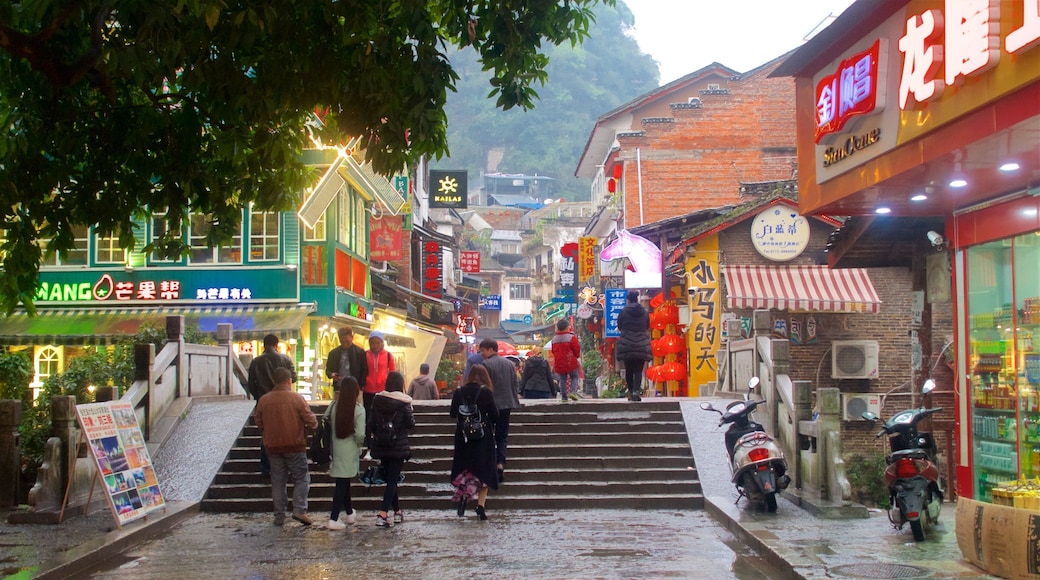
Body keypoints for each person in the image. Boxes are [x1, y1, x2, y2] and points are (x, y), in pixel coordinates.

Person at [253, 367, 318, 526]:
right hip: (295, 445)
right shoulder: (297, 399)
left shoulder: (264, 400)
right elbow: (311, 421)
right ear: (289, 381)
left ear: (274, 381)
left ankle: (279, 515)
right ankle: (299, 509)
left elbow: (258, 422)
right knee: (302, 478)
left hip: (273, 446)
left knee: (278, 481)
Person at [449, 364, 499, 520]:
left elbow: (452, 414)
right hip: (482, 437)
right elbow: (495, 415)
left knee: (466, 469)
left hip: (463, 437)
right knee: (485, 470)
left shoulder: (459, 392)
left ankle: (464, 495)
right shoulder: (486, 392)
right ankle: (480, 506)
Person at [366, 371, 415, 527]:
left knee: (390, 479)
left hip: (382, 444)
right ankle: (383, 513)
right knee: (392, 480)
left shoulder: (377, 400)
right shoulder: (404, 402)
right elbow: (410, 424)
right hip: (398, 445)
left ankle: (397, 511)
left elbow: (370, 424)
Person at [247, 334, 297, 474]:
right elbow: (294, 377)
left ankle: (266, 467)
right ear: (276, 344)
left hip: (264, 401)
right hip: (284, 401)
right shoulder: (285, 359)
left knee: (266, 434)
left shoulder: (256, 361)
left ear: (264, 345)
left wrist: (258, 397)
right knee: (285, 431)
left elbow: (251, 384)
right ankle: (285, 466)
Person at [326, 376, 366, 530]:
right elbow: (360, 434)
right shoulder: (358, 410)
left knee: (344, 481)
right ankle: (333, 518)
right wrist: (359, 445)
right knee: (342, 484)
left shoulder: (334, 406)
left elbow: (325, 420)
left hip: (336, 449)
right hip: (350, 450)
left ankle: (349, 513)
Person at [478, 338, 520, 482]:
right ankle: (500, 463)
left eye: (482, 350)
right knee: (502, 436)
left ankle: (490, 462)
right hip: (507, 404)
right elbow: (515, 384)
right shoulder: (509, 364)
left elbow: (483, 386)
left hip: (490, 405)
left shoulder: (485, 365)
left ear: (490, 349)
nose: (481, 353)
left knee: (489, 435)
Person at [615, 290, 653, 401]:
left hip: (627, 343)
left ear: (627, 300)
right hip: (641, 343)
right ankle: (636, 391)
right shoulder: (645, 312)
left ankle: (631, 392)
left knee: (629, 369)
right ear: (637, 299)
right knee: (638, 370)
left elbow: (620, 326)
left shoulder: (623, 311)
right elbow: (647, 326)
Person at [325, 326, 368, 394]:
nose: (345, 344)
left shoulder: (360, 352)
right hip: (339, 388)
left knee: (356, 405)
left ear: (352, 337)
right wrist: (332, 374)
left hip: (355, 389)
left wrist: (360, 386)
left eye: (347, 341)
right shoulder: (333, 353)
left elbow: (365, 370)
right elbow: (328, 370)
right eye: (342, 342)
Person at [363, 331, 397, 413]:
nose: (375, 346)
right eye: (372, 343)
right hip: (367, 390)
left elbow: (392, 373)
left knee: (380, 414)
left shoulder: (388, 355)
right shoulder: (365, 355)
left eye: (377, 343)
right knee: (368, 413)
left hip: (383, 390)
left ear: (382, 343)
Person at [551, 319, 582, 401]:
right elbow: (576, 349)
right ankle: (572, 392)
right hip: (570, 361)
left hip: (559, 362)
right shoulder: (571, 337)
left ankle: (564, 396)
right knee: (574, 377)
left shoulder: (554, 339)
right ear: (567, 327)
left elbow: (553, 351)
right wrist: (577, 356)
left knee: (562, 378)